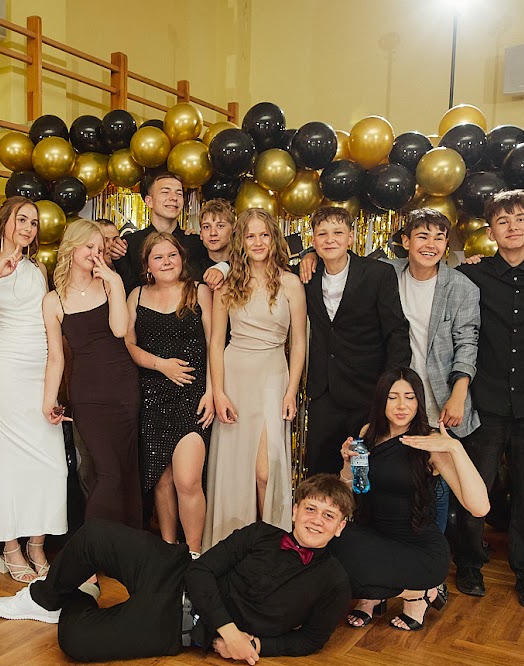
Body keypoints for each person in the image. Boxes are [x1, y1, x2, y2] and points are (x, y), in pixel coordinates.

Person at [0, 474, 353, 664]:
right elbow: (200, 571)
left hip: (176, 625)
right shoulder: (260, 534)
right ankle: (45, 597)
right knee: (94, 534)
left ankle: (80, 594)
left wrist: (254, 644)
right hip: (171, 569)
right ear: (294, 511)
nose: (316, 520)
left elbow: (311, 640)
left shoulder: (334, 582)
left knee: (75, 642)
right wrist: (231, 632)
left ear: (340, 527)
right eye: (310, 509)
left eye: (328, 515)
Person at [453, 190, 524, 608]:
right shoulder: (473, 274)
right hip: (486, 401)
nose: (512, 227)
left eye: (520, 219)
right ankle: (468, 562)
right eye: (503, 221)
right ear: (491, 232)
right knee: (475, 487)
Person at [0, 197, 67, 583]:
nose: (28, 228)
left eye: (34, 223)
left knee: (51, 465)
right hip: (5, 372)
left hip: (41, 371)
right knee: (5, 464)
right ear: (4, 222)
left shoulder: (39, 269)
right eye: (22, 220)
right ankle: (10, 548)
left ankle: (37, 544)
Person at [333, 368, 489, 630]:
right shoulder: (368, 432)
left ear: (419, 402)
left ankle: (419, 593)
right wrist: (348, 465)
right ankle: (383, 593)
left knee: (357, 571)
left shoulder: (431, 443)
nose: (401, 406)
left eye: (409, 397)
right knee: (329, 541)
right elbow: (353, 491)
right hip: (373, 536)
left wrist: (455, 448)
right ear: (381, 400)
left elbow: (480, 507)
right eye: (392, 397)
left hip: (418, 548)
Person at [204, 208, 307, 548]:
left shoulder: (290, 283)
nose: (258, 242)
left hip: (272, 377)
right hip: (235, 375)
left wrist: (291, 391)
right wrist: (218, 392)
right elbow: (216, 342)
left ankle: (268, 546)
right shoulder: (227, 284)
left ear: (274, 239)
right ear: (241, 242)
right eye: (251, 236)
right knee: (235, 471)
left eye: (264, 235)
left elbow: (299, 343)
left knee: (266, 472)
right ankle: (234, 547)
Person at [294, 206, 411, 475]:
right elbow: (264, 266)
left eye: (337, 232)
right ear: (314, 240)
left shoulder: (378, 274)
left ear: (351, 237)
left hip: (367, 392)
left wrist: (391, 386)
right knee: (320, 471)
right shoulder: (306, 275)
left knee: (363, 472)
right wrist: (306, 255)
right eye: (322, 234)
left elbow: (396, 332)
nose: (330, 240)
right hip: (324, 392)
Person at [42, 218, 142, 526]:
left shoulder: (110, 284)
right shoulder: (53, 300)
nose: (96, 254)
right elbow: (56, 357)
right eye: (89, 247)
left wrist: (115, 282)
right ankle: (88, 547)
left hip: (123, 388)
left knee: (126, 469)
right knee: (107, 472)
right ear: (72, 248)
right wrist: (48, 401)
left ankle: (124, 542)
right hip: (87, 395)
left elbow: (120, 329)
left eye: (100, 249)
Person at [387, 207, 480, 532]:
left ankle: (433, 555)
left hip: (440, 398)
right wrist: (311, 254)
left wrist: (458, 394)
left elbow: (467, 342)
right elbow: (344, 262)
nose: (431, 245)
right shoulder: (387, 273)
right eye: (423, 236)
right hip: (398, 398)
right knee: (397, 478)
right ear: (406, 241)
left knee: (436, 481)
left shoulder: (461, 287)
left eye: (439, 238)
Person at [125, 231, 214, 555]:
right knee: (161, 481)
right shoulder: (136, 295)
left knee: (187, 480)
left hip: (193, 396)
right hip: (151, 395)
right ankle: (167, 550)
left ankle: (193, 554)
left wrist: (213, 391)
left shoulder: (198, 291)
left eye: (172, 255)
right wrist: (161, 365)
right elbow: (128, 344)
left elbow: (214, 344)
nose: (166, 262)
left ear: (182, 258)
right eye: (158, 257)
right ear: (147, 265)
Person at [118, 170, 212, 292]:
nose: (174, 198)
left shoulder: (196, 244)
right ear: (149, 201)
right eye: (165, 192)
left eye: (179, 193)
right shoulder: (129, 245)